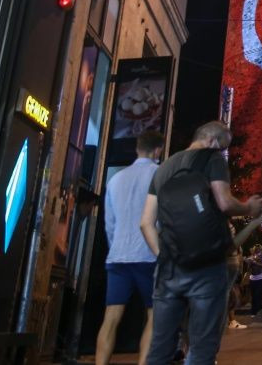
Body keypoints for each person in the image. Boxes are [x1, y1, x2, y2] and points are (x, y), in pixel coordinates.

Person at [139, 121, 262, 365]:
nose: (221, 152)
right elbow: (224, 203)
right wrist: (248, 208)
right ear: (212, 141)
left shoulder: (164, 168)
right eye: (222, 147)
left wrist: (163, 256)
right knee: (201, 347)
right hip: (207, 266)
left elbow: (146, 223)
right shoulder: (213, 159)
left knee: (160, 348)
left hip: (169, 268)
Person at [96, 130, 163, 365]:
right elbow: (163, 219)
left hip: (118, 256)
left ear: (137, 148)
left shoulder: (116, 179)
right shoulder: (160, 175)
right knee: (154, 316)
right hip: (149, 255)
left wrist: (115, 247)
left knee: (111, 317)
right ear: (158, 150)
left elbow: (109, 223)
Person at [245, 244, 262, 317]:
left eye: (259, 249)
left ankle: (255, 311)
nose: (257, 250)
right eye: (256, 249)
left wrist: (256, 262)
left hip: (261, 278)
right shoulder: (252, 256)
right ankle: (256, 309)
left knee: (258, 294)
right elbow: (248, 268)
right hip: (253, 278)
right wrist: (248, 262)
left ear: (261, 249)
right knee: (253, 295)